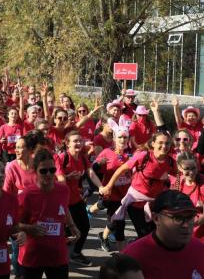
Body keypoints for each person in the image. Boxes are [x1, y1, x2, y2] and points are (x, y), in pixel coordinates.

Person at [18, 147, 81, 279]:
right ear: (35, 171)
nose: (49, 174)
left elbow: (64, 207)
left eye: (52, 170)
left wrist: (72, 225)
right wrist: (29, 228)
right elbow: (14, 224)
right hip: (32, 256)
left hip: (57, 255)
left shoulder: (63, 190)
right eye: (43, 171)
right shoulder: (27, 194)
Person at [101, 131, 175, 238]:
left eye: (167, 143)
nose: (164, 146)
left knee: (154, 234)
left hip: (154, 203)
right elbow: (121, 169)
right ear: (153, 143)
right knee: (143, 233)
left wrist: (170, 180)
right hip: (136, 202)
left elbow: (178, 176)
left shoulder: (171, 162)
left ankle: (136, 246)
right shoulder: (143, 157)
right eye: (161, 143)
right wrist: (108, 186)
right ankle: (106, 237)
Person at [123, 190, 204, 279]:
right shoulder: (133, 257)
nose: (186, 225)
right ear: (156, 218)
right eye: (178, 218)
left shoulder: (200, 249)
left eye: (190, 217)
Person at [56, 131, 103, 266]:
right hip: (63, 201)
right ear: (67, 143)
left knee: (84, 226)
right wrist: (68, 177)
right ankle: (57, 257)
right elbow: (60, 179)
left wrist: (101, 187)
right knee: (63, 231)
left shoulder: (83, 158)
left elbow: (90, 172)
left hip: (77, 199)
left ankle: (76, 253)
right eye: (75, 141)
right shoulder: (62, 157)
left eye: (80, 141)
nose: (78, 143)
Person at [90, 119, 132, 252]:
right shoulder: (107, 152)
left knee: (115, 222)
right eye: (120, 137)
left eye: (125, 137)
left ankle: (103, 236)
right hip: (110, 193)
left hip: (125, 195)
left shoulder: (131, 154)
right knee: (118, 224)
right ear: (114, 138)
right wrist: (98, 164)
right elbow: (92, 169)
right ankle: (122, 259)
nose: (122, 140)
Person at [170, 152, 204, 241]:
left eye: (194, 168)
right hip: (182, 233)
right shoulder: (176, 183)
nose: (192, 172)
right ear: (179, 168)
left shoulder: (202, 182)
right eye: (187, 169)